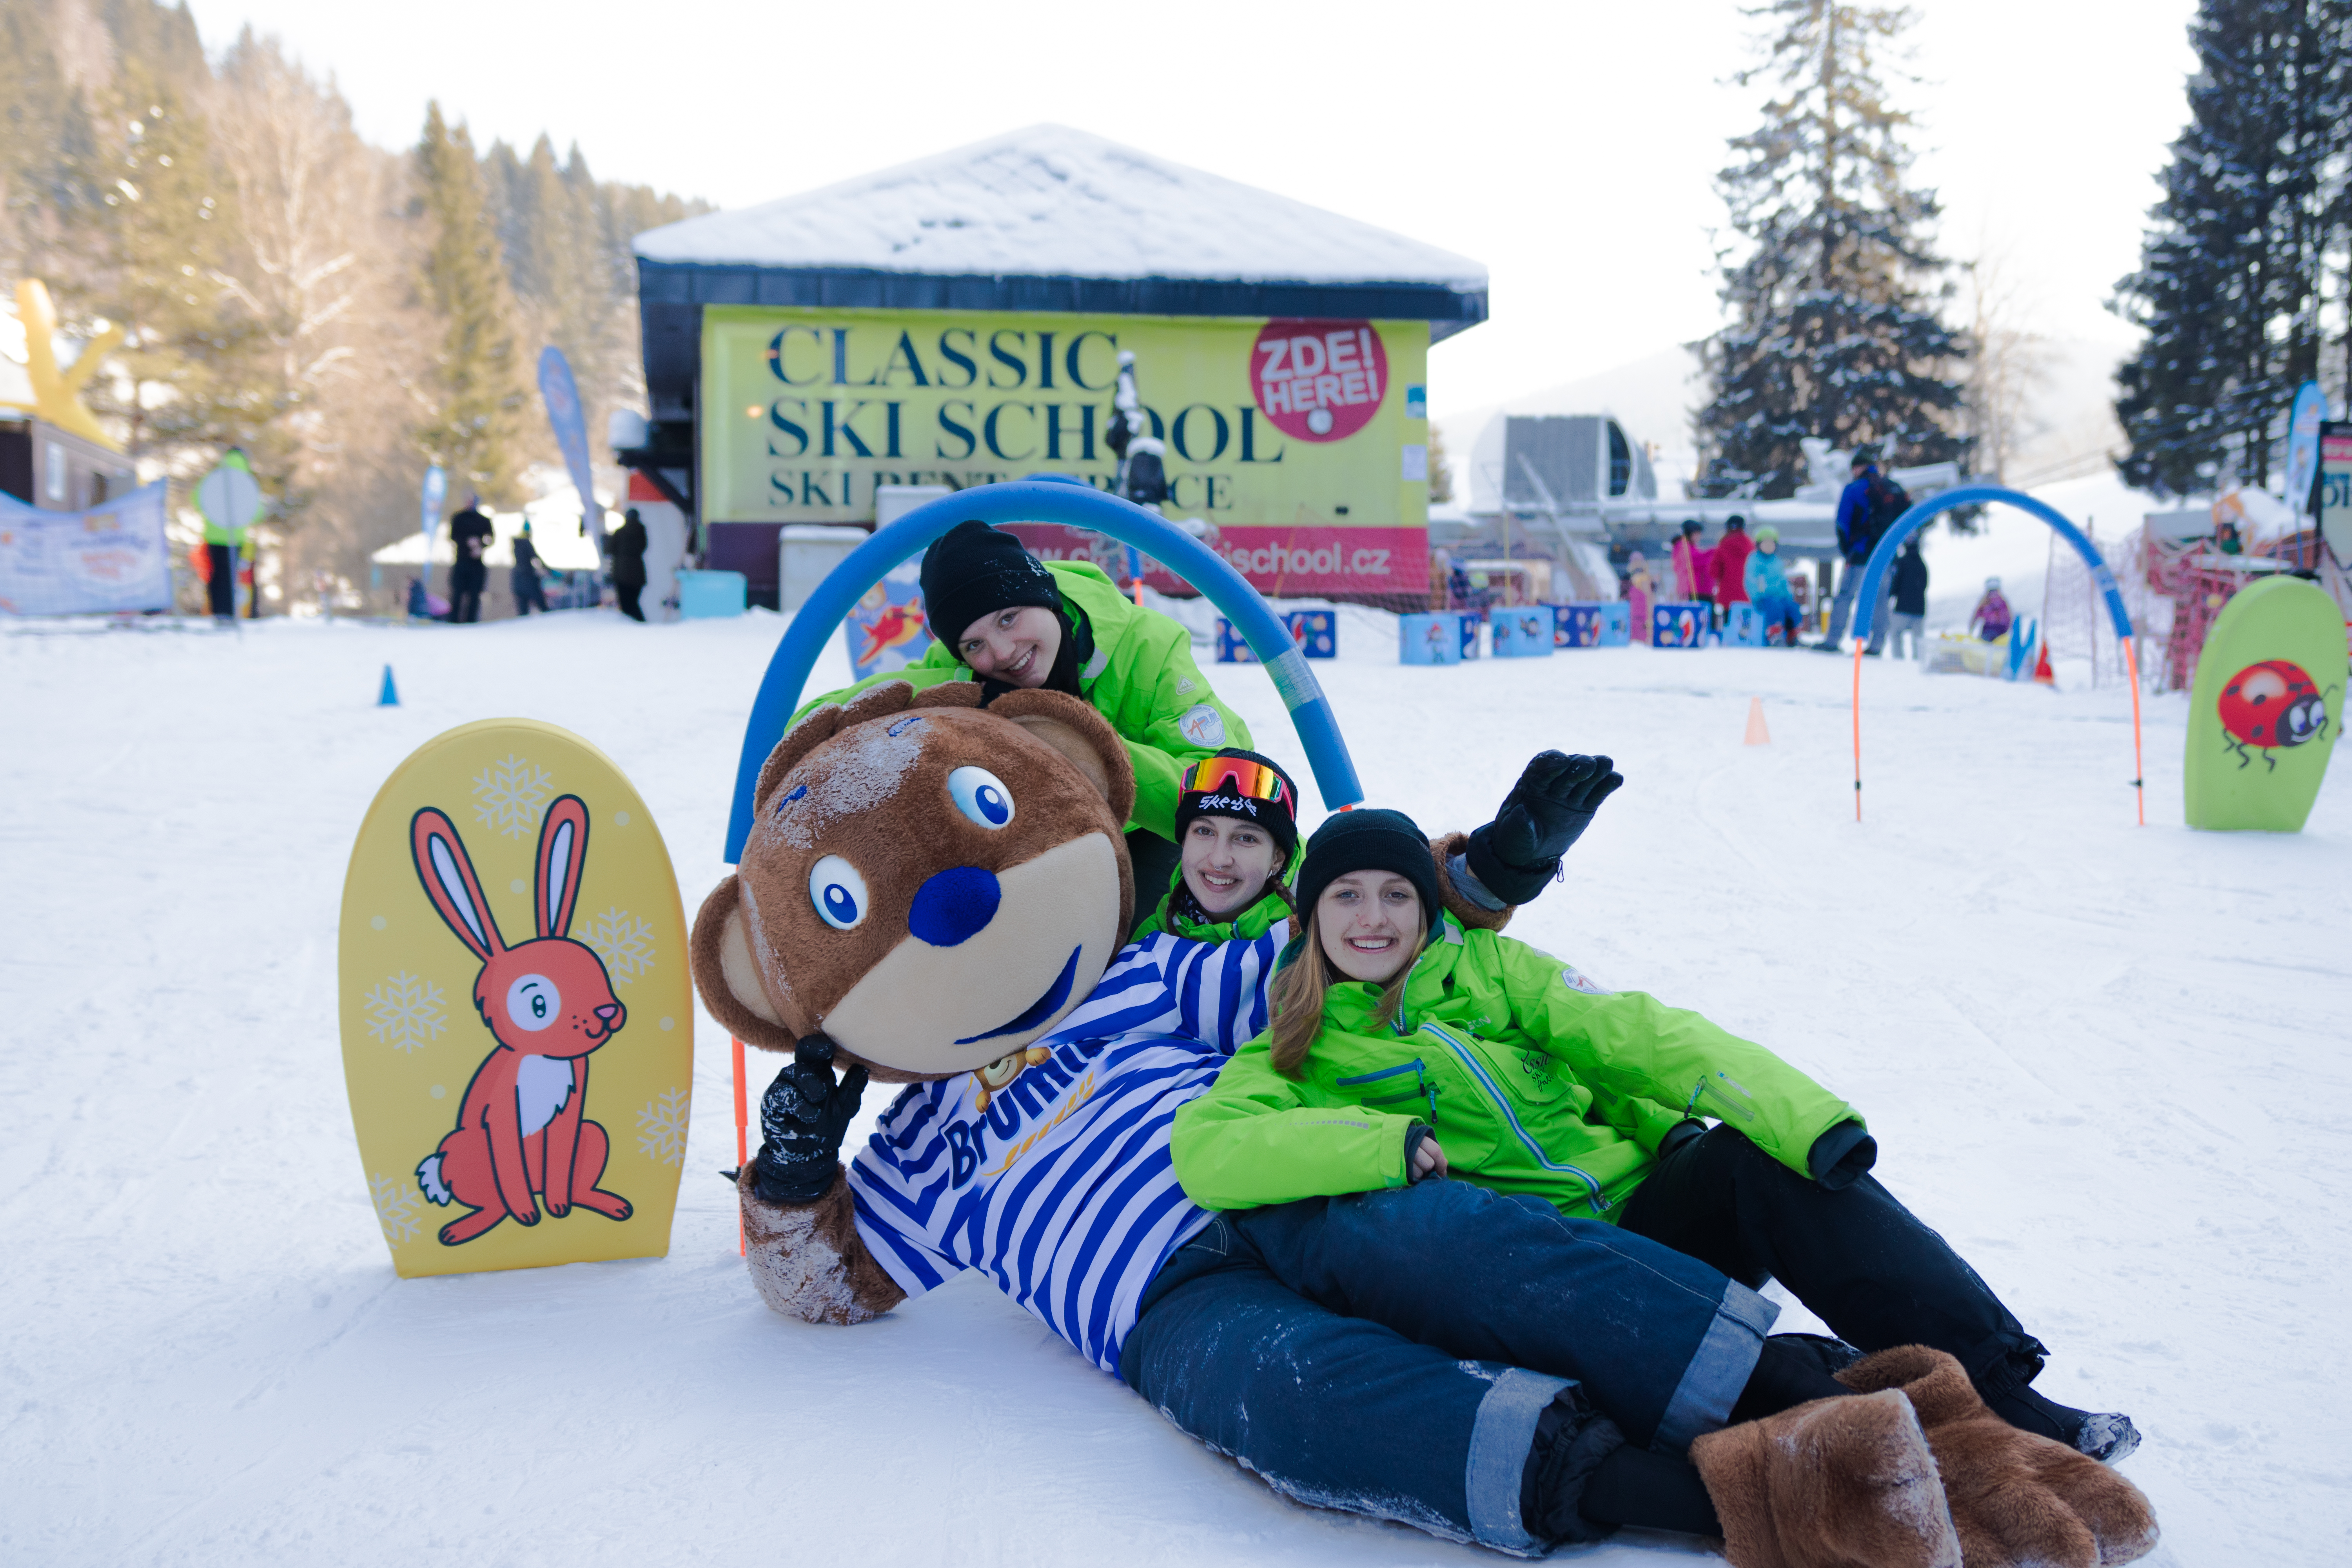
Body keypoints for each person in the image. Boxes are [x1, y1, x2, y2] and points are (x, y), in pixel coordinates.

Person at [1160, 809, 2141, 1545]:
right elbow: (1207, 1149)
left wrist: (1804, 1121)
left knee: (1755, 1163)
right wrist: (1374, 1146)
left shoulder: (1495, 974)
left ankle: (2000, 1383)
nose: (1373, 919)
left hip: (1645, 1215)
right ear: (1311, 914)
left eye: (1396, 895)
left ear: (1426, 906)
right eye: (1347, 896)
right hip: (1557, 1279)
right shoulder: (1293, 1056)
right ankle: (1867, 1445)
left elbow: (1640, 1033)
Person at [790, 519, 1253, 921]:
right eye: (974, 643)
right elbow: (819, 719)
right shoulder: (963, 672)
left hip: (1149, 837)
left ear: (1045, 597)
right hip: (1033, 847)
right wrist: (966, 689)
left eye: (1009, 618)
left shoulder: (1147, 647)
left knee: (1155, 921)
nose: (1003, 652)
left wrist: (1089, 750)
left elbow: (1226, 794)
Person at [1135, 749, 1302, 942]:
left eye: (1246, 838)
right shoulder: (1146, 944)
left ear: (1278, 859)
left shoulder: (1313, 946)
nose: (1219, 860)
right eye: (1205, 831)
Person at [1743, 524, 1803, 646]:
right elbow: (1751, 580)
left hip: (1779, 597)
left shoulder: (1777, 562)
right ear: (1759, 545)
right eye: (1765, 544)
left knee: (1793, 608)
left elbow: (1783, 580)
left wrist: (1788, 595)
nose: (1769, 547)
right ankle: (1775, 635)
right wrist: (1756, 596)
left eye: (1772, 544)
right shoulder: (1755, 560)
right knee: (1775, 608)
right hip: (1763, 597)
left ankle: (1793, 635)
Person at [445, 494, 493, 624]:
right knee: (457, 595)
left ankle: (471, 623)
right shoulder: (459, 518)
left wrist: (481, 546)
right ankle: (454, 622)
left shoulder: (484, 520)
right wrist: (468, 543)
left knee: (475, 596)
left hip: (477, 564)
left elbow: (490, 538)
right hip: (461, 562)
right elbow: (453, 536)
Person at [1889, 536, 1930, 659]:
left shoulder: (1901, 562)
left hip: (1902, 607)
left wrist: (1891, 594)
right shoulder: (1923, 565)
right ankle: (1918, 660)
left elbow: (1895, 582)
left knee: (1896, 634)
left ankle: (1898, 658)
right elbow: (1925, 585)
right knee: (1918, 639)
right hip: (1919, 609)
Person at [1710, 514, 1754, 630]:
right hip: (1748, 594)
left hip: (1727, 595)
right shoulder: (1751, 546)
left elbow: (1714, 572)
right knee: (1745, 626)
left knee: (1728, 626)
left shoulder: (1722, 546)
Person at [609, 508, 649, 621]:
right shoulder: (641, 531)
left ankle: (637, 627)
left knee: (627, 606)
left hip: (622, 575)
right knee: (633, 604)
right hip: (638, 576)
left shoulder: (620, 532)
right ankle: (640, 626)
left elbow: (610, 549)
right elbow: (643, 548)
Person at [1671, 519, 1711, 614]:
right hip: (1693, 591)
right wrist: (1712, 553)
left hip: (1697, 590)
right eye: (1697, 533)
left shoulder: (1688, 546)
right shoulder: (1683, 547)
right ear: (1690, 533)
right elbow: (1694, 560)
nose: (1699, 537)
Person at [511, 521, 549, 616]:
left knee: (523, 612)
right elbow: (536, 558)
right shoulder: (526, 543)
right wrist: (548, 570)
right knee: (543, 606)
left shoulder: (516, 544)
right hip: (528, 578)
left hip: (517, 579)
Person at [1970, 576, 2013, 642]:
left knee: (1985, 643)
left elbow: (1976, 616)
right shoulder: (2002, 601)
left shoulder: (1985, 601)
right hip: (1998, 631)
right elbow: (2009, 617)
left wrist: (1971, 628)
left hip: (1992, 630)